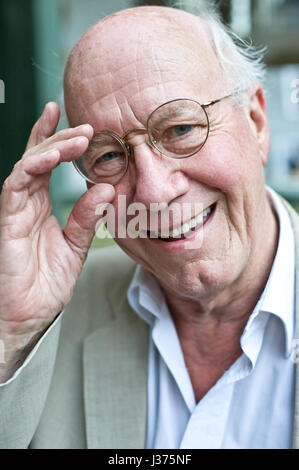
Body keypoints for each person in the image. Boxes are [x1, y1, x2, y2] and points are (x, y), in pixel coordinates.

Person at [0, 4, 298, 449]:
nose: (154, 193)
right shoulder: (49, 317)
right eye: (109, 156)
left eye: (179, 128)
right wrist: (9, 334)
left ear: (256, 122)